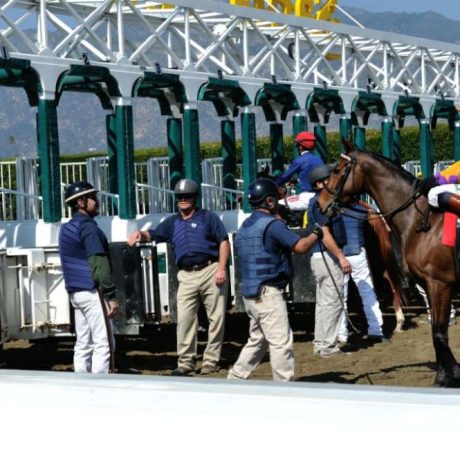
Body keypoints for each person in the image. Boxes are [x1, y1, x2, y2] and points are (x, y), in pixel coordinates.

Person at [128, 178, 229, 376]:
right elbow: (154, 233)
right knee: (184, 319)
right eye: (180, 197)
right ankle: (186, 361)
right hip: (186, 274)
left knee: (216, 319)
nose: (183, 200)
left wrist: (222, 268)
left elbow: (223, 241)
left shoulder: (208, 217)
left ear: (195, 198)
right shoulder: (172, 222)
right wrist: (139, 233)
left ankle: (210, 360)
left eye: (187, 196)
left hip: (210, 269)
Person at [228, 178, 325, 381]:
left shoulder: (246, 225)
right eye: (277, 200)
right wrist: (317, 231)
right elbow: (301, 247)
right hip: (268, 294)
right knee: (281, 341)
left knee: (258, 340)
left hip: (251, 294)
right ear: (270, 201)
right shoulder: (272, 225)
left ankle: (236, 378)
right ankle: (283, 384)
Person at [59, 181, 119, 373]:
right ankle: (101, 388)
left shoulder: (67, 227)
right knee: (104, 343)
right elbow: (98, 264)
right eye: (93, 198)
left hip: (75, 293)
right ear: (81, 202)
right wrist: (111, 295)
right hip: (92, 291)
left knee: (83, 343)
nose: (97, 201)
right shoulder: (89, 227)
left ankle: (80, 385)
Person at [307, 164, 352, 357]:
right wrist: (341, 257)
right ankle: (328, 346)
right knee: (333, 302)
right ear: (319, 184)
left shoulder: (318, 202)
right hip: (328, 256)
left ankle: (321, 343)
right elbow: (324, 233)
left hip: (320, 256)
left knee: (324, 303)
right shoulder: (320, 203)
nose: (332, 182)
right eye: (328, 179)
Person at [338, 201, 386, 343]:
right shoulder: (362, 209)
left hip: (339, 256)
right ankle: (376, 330)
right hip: (358, 252)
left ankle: (342, 334)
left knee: (341, 296)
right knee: (367, 292)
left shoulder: (331, 210)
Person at [276, 131, 325, 211]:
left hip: (307, 197)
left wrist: (275, 184)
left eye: (297, 145)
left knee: (278, 204)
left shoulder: (299, 161)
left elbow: (285, 177)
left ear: (301, 147)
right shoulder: (319, 159)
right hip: (321, 196)